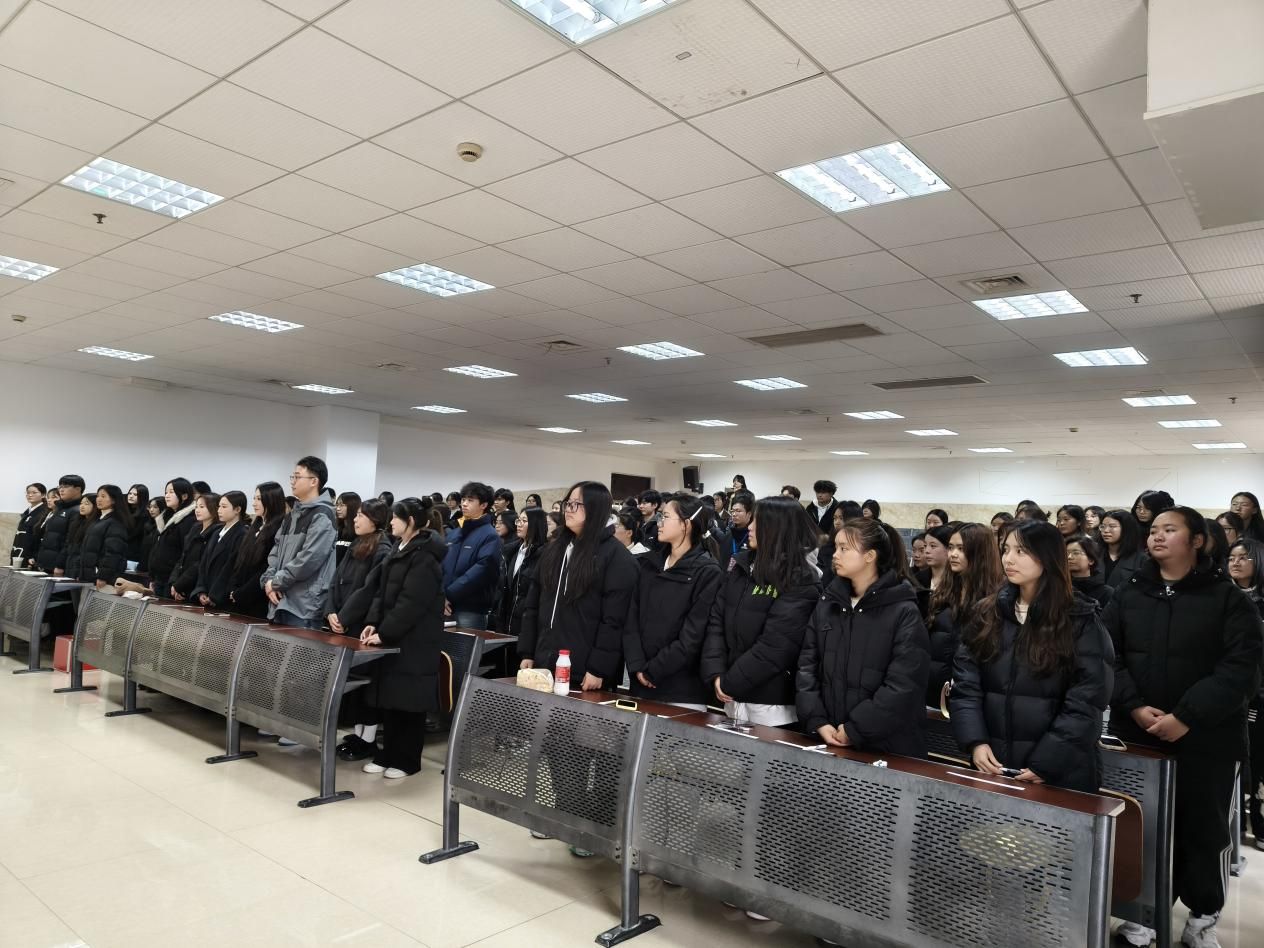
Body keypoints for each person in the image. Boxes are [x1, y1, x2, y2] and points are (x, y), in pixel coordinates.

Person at [1105, 508, 1262, 948]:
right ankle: (1143, 914)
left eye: (1169, 530)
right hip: (1138, 734)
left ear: (1197, 541)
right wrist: (1135, 706)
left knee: (1205, 832)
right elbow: (1107, 655)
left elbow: (1241, 670)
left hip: (1208, 739)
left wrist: (1186, 717)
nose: (1157, 536)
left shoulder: (1227, 598)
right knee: (1143, 826)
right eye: (1153, 530)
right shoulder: (1129, 592)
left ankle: (1203, 917)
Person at [950, 520, 1113, 794]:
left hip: (1059, 771)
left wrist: (1047, 762)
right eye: (1005, 550)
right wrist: (975, 741)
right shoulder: (987, 612)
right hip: (993, 764)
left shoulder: (1079, 619)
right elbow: (965, 685)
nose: (1008, 559)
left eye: (1021, 551)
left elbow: (1087, 700)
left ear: (1047, 557)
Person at [797, 516, 930, 757]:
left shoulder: (903, 610)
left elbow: (903, 684)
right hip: (830, 736)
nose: (835, 555)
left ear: (870, 556)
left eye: (844, 549)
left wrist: (855, 729)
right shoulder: (829, 602)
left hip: (887, 747)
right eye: (836, 547)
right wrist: (817, 719)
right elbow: (807, 665)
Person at [340, 497, 447, 779]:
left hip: (415, 641)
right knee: (390, 700)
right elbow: (380, 592)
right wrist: (373, 624)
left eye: (396, 518)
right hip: (394, 636)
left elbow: (411, 603)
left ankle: (407, 760)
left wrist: (385, 632)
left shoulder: (425, 557)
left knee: (409, 703)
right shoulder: (399, 549)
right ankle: (387, 754)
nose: (391, 522)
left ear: (410, 521)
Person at [700, 495, 822, 728]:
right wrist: (715, 672)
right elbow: (716, 621)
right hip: (730, 698)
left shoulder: (801, 580)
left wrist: (729, 682)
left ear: (778, 528)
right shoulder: (740, 567)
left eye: (758, 521)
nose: (750, 526)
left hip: (771, 706)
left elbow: (776, 646)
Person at [519, 481, 637, 689]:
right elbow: (533, 603)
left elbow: (614, 620)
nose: (568, 509)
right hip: (544, 662)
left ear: (595, 509)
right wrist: (527, 651)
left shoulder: (616, 557)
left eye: (576, 504)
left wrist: (599, 668)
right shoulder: (555, 549)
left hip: (585, 672)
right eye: (568, 503)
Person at [624, 494, 723, 709]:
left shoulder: (707, 572)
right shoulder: (649, 563)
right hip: (639, 681)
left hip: (681, 689)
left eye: (666, 517)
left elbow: (692, 636)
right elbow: (632, 617)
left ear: (686, 524)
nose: (659, 523)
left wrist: (653, 670)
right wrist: (637, 665)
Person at [324, 497, 393, 761]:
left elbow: (368, 590)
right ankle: (357, 734)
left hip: (361, 625)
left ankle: (368, 739)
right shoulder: (357, 542)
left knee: (366, 685)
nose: (355, 519)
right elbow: (335, 580)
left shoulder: (383, 549)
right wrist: (330, 611)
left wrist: (343, 616)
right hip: (343, 621)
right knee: (351, 683)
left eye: (361, 515)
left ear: (375, 520)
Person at [926, 523, 1003, 707]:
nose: (953, 554)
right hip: (933, 691)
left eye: (961, 549)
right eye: (951, 547)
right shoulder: (944, 593)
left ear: (980, 553)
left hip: (970, 697)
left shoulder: (995, 600)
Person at [263, 456, 337, 629]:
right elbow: (275, 551)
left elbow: (309, 559)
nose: (292, 481)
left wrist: (276, 582)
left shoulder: (322, 515)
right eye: (292, 477)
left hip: (304, 605)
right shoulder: (292, 515)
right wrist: (269, 580)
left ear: (313, 481)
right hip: (279, 599)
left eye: (297, 477)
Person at [1227, 539, 1264, 852]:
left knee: (1257, 760)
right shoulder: (1221, 596)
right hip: (1229, 692)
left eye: (1244, 557)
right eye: (1232, 557)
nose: (1236, 562)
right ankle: (1234, 827)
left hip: (1259, 692)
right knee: (1237, 760)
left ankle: (1259, 824)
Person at [442, 481, 502, 629]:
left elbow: (482, 570)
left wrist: (449, 594)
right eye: (463, 499)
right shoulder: (454, 533)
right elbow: (440, 564)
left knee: (466, 644)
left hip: (470, 608)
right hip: (444, 604)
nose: (464, 504)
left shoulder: (490, 535)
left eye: (470, 500)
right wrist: (440, 594)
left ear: (483, 505)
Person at [227, 482, 286, 619]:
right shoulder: (256, 526)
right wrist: (233, 589)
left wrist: (242, 593)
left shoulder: (278, 528)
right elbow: (239, 561)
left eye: (259, 499)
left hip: (257, 599)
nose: (254, 503)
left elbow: (265, 567)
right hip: (239, 595)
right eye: (254, 498)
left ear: (271, 500)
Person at [496, 507, 547, 638]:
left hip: (526, 624)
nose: (519, 524)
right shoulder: (511, 551)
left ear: (536, 524)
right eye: (518, 520)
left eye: (524, 521)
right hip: (505, 620)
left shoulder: (544, 554)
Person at [191, 492, 248, 608]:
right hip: (207, 593)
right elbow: (204, 563)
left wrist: (214, 595)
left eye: (224, 507)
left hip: (222, 598)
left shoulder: (242, 534)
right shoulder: (217, 532)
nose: (219, 510)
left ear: (237, 509)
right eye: (219, 506)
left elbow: (231, 568)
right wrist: (201, 590)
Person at [147, 479, 197, 594]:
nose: (167, 496)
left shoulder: (189, 520)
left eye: (171, 492)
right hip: (159, 578)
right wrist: (153, 577)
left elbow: (185, 554)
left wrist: (178, 582)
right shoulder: (166, 517)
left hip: (173, 581)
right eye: (166, 492)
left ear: (184, 496)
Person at [79, 485, 132, 588]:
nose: (98, 499)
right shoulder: (97, 520)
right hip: (88, 574)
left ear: (113, 500)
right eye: (98, 496)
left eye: (103, 496)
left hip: (101, 577)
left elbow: (113, 553)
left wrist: (103, 576)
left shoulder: (115, 522)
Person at [171, 493, 219, 601]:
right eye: (196, 507)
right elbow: (183, 557)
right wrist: (174, 582)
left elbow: (200, 563)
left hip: (196, 586)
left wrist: (180, 585)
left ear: (214, 508)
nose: (197, 510)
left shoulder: (216, 532)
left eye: (202, 507)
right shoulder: (195, 528)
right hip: (181, 584)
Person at [36, 475, 85, 575]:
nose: (61, 490)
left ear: (78, 489)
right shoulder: (60, 508)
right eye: (60, 487)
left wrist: (60, 565)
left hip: (60, 566)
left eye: (65, 486)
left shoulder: (78, 510)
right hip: (46, 562)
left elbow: (70, 541)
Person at [1100, 509, 1145, 589]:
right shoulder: (1093, 552)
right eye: (1103, 526)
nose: (1105, 531)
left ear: (1126, 529)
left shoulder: (1141, 559)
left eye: (1112, 526)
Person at [1066, 534, 1111, 609]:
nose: (1069, 557)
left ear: (1091, 560)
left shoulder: (1105, 593)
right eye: (1066, 553)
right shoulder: (1059, 588)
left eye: (1076, 553)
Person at [63, 493, 99, 581]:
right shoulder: (77, 523)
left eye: (86, 504)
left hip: (82, 568)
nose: (82, 506)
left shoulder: (96, 525)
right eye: (81, 503)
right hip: (70, 564)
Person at [11, 483, 47, 567]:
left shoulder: (44, 512)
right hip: (19, 551)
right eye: (28, 493)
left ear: (43, 495)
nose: (30, 495)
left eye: (34, 492)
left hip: (31, 555)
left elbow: (40, 536)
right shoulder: (27, 512)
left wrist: (34, 556)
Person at [724, 490, 755, 566]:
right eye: (733, 511)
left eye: (738, 511)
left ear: (749, 514)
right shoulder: (730, 533)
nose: (734, 514)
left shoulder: (753, 536)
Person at [334, 492, 361, 565]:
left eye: (342, 505)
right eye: (337, 505)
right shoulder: (337, 528)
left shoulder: (358, 531)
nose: (338, 509)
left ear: (352, 507)